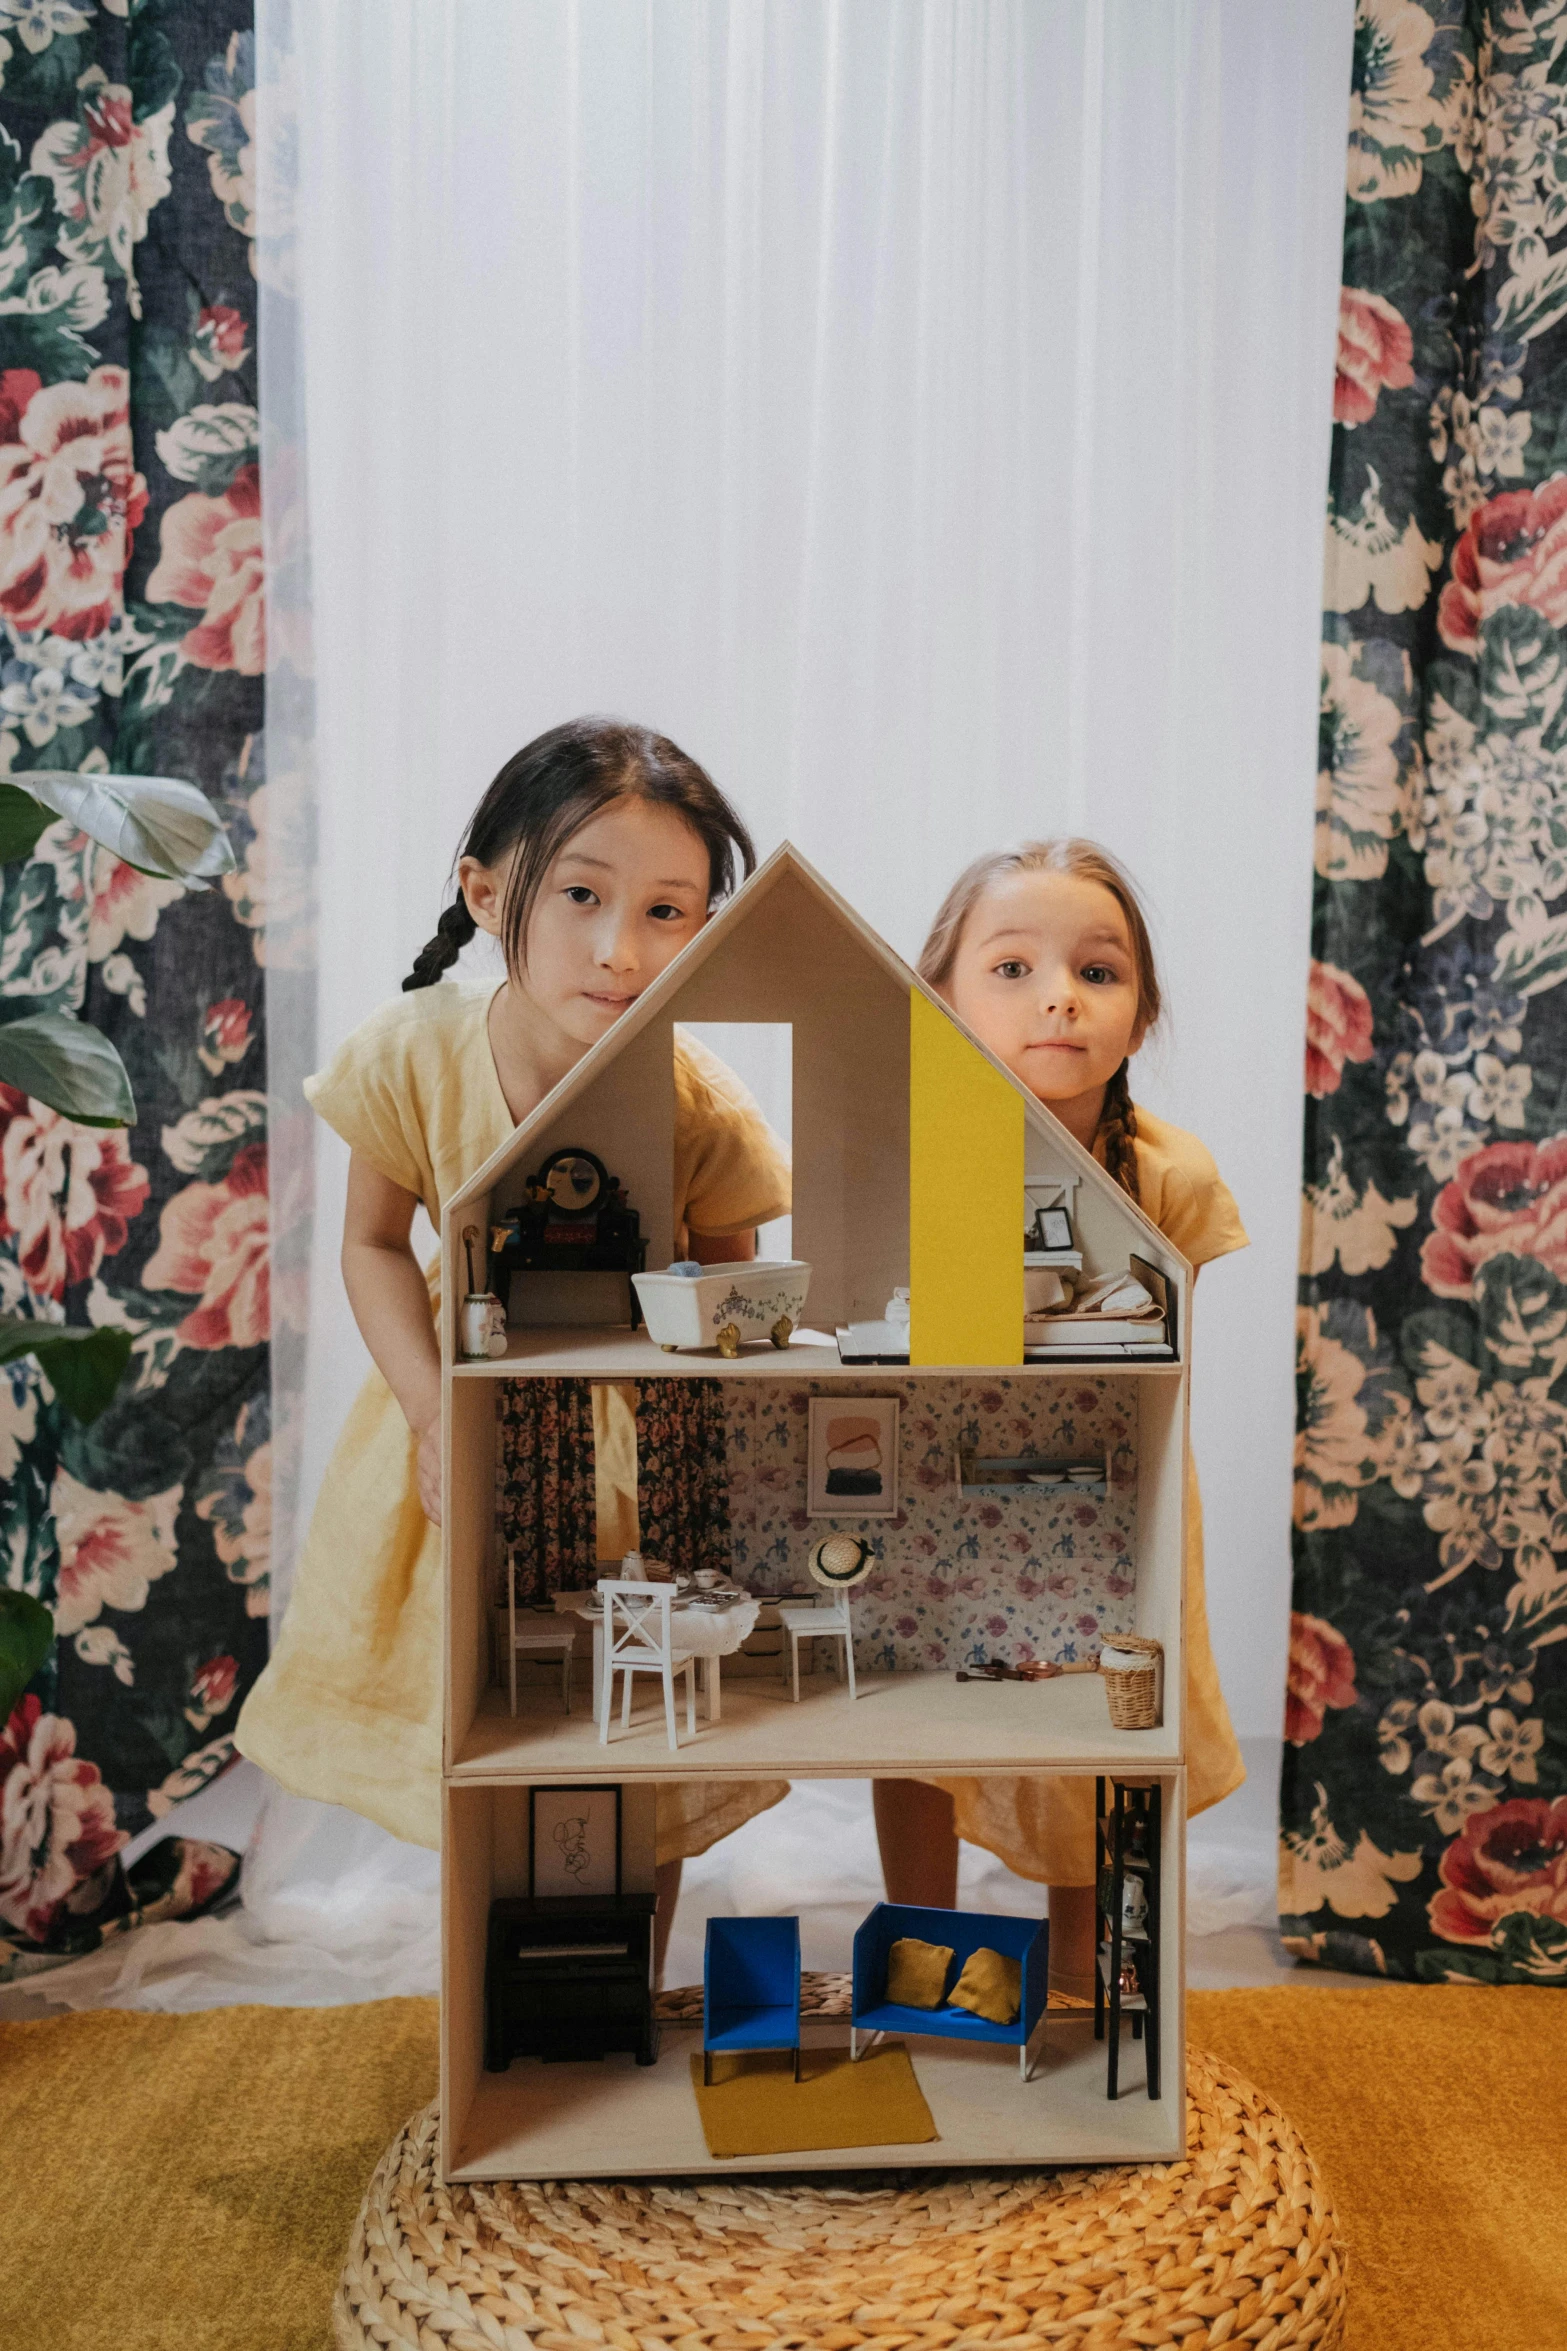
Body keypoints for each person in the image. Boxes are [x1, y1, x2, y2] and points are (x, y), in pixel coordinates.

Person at [235, 718, 790, 1972]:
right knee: (482, 1723)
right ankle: (499, 2016)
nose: (618, 947)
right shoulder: (415, 1050)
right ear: (490, 890)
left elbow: (745, 1298)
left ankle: (622, 1995)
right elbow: (374, 1245)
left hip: (644, 1466)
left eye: (665, 911)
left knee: (639, 1741)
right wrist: (435, 1411)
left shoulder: (699, 1099)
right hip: (458, 1434)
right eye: (583, 895)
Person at [872, 837, 1246, 1997]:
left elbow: (1163, 1363)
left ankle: (1084, 1968)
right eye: (1012, 966)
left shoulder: (1166, 1169)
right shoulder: (915, 1148)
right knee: (917, 1716)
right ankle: (918, 1949)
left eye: (1097, 971)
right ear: (940, 996)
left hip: (1113, 1496)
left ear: (1138, 1014)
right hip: (940, 1488)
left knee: (1106, 1716)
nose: (1059, 998)